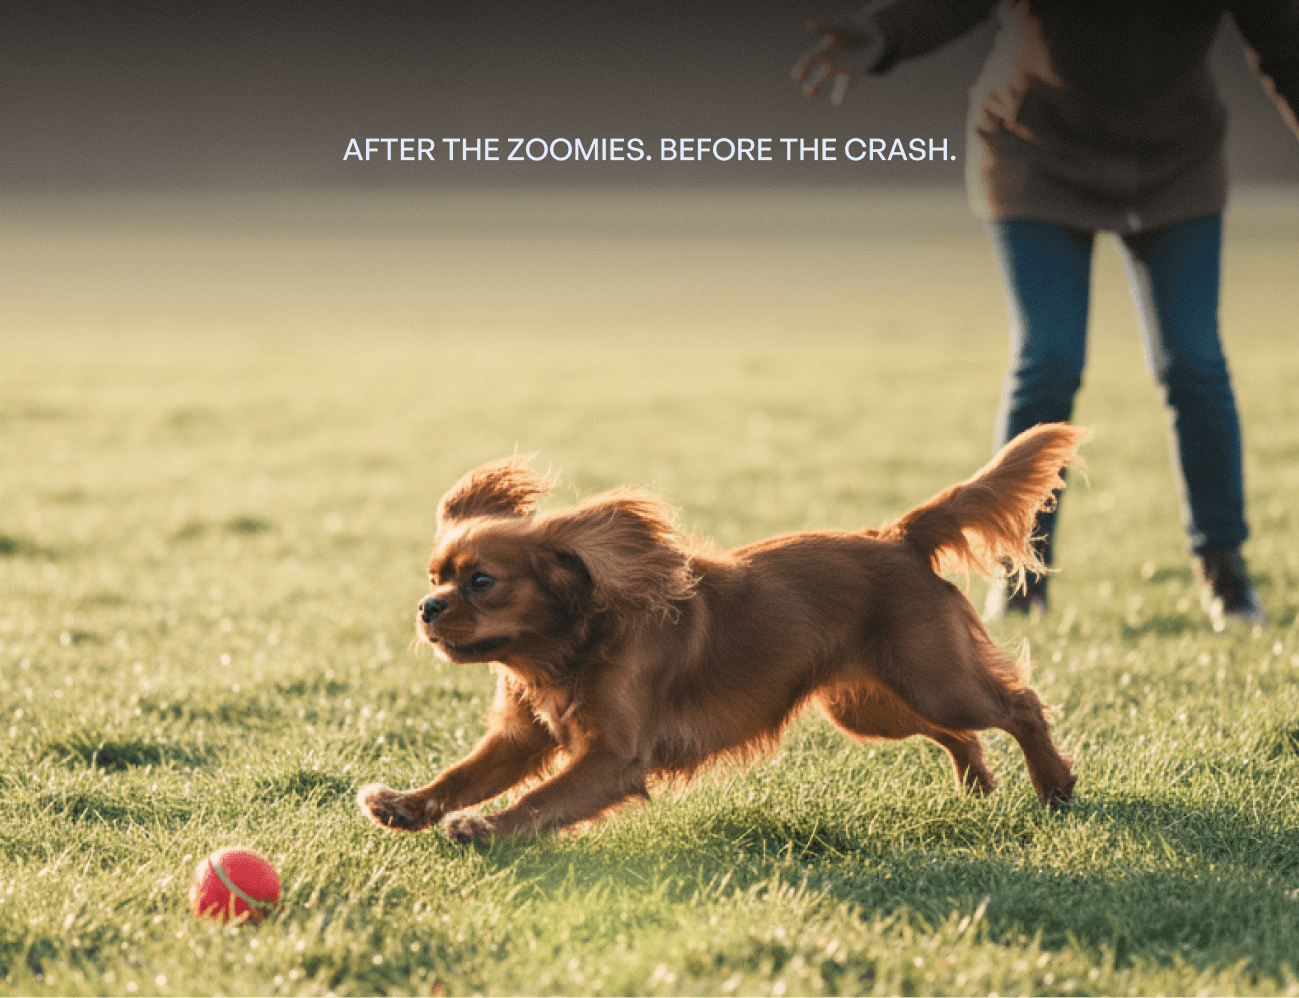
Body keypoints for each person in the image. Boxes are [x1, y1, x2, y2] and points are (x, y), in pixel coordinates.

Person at [795, 0, 1299, 628]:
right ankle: (1019, 574)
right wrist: (886, 33)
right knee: (1049, 361)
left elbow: (1283, 41)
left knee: (1194, 364)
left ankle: (1225, 571)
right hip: (1037, 151)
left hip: (1176, 162)